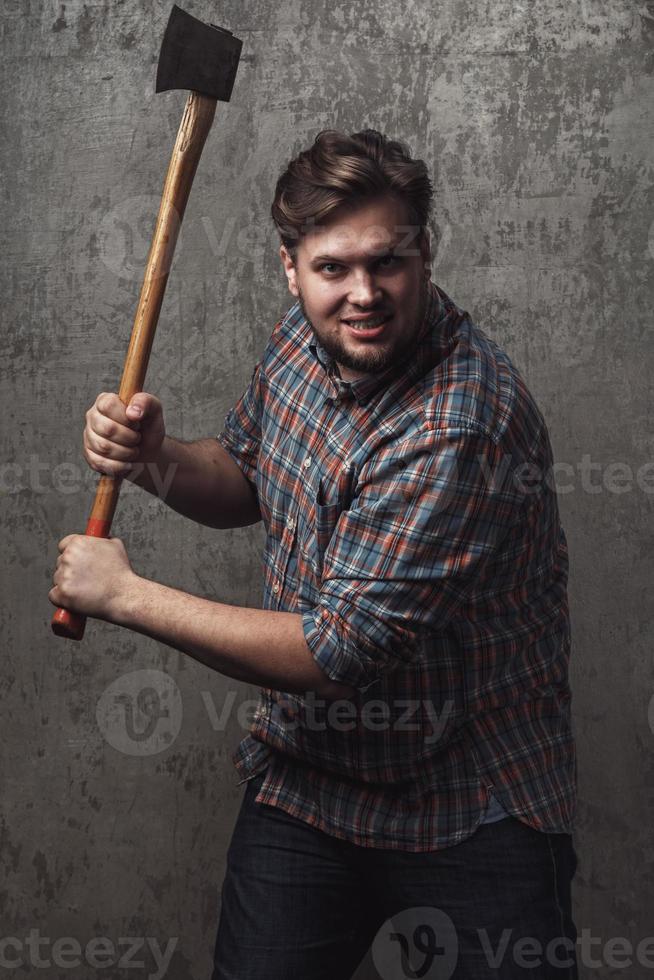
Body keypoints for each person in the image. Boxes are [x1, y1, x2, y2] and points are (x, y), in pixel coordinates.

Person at [50, 129, 579, 979]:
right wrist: (157, 460)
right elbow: (247, 477)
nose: (363, 294)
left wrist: (125, 597)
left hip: (467, 804)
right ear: (289, 268)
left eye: (388, 263)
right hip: (313, 782)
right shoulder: (305, 339)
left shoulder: (459, 425)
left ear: (426, 254)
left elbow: (338, 653)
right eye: (334, 268)